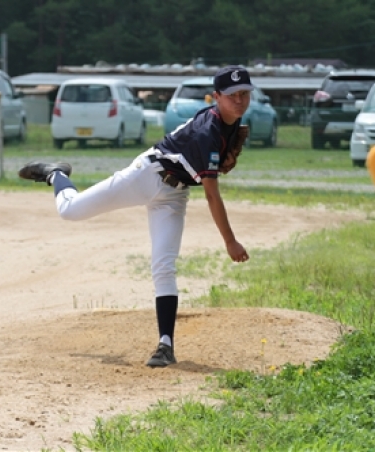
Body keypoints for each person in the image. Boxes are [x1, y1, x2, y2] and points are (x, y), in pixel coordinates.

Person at [18, 65, 252, 368]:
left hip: (174, 195)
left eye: (244, 93)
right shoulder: (209, 132)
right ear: (217, 97)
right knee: (70, 211)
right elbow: (212, 195)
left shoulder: (230, 122)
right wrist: (230, 241)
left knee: (164, 267)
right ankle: (56, 174)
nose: (239, 100)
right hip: (146, 175)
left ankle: (165, 346)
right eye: (232, 95)